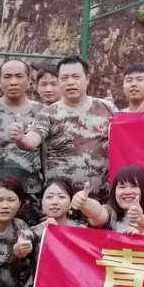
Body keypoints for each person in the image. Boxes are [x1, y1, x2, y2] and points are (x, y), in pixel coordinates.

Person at [0, 59, 48, 223]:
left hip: (30, 191)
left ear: (29, 80)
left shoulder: (42, 112)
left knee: (29, 236)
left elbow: (45, 153)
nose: (13, 82)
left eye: (19, 76)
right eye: (7, 77)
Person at [42, 56, 116, 198]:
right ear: (58, 81)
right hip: (60, 200)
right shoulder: (48, 113)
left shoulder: (107, 108)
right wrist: (20, 138)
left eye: (76, 77)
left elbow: (126, 136)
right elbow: (31, 141)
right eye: (64, 78)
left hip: (100, 199)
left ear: (87, 79)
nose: (70, 82)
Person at [74, 165, 144, 235]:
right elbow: (98, 213)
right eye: (122, 187)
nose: (127, 192)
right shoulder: (111, 213)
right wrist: (84, 202)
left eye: (134, 186)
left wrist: (141, 223)